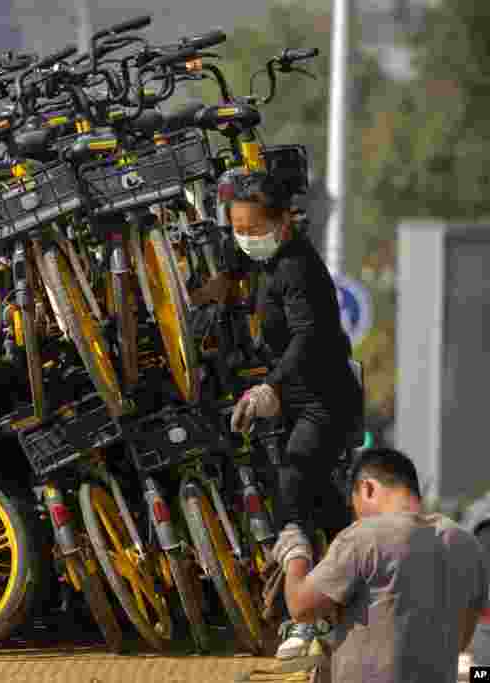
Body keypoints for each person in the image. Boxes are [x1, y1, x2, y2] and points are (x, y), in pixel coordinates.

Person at [209, 167, 364, 658]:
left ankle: (306, 615)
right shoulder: (264, 256)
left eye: (256, 228)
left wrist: (269, 388)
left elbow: (308, 337)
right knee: (322, 506)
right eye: (239, 228)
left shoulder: (296, 266)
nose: (247, 237)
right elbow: (234, 268)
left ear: (284, 222)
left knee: (295, 477)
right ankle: (348, 604)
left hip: (324, 397)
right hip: (295, 399)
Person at [270, 448, 490, 682]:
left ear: (368, 488)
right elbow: (462, 639)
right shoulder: (467, 544)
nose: (357, 515)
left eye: (355, 505)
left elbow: (301, 608)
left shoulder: (365, 536)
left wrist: (295, 553)